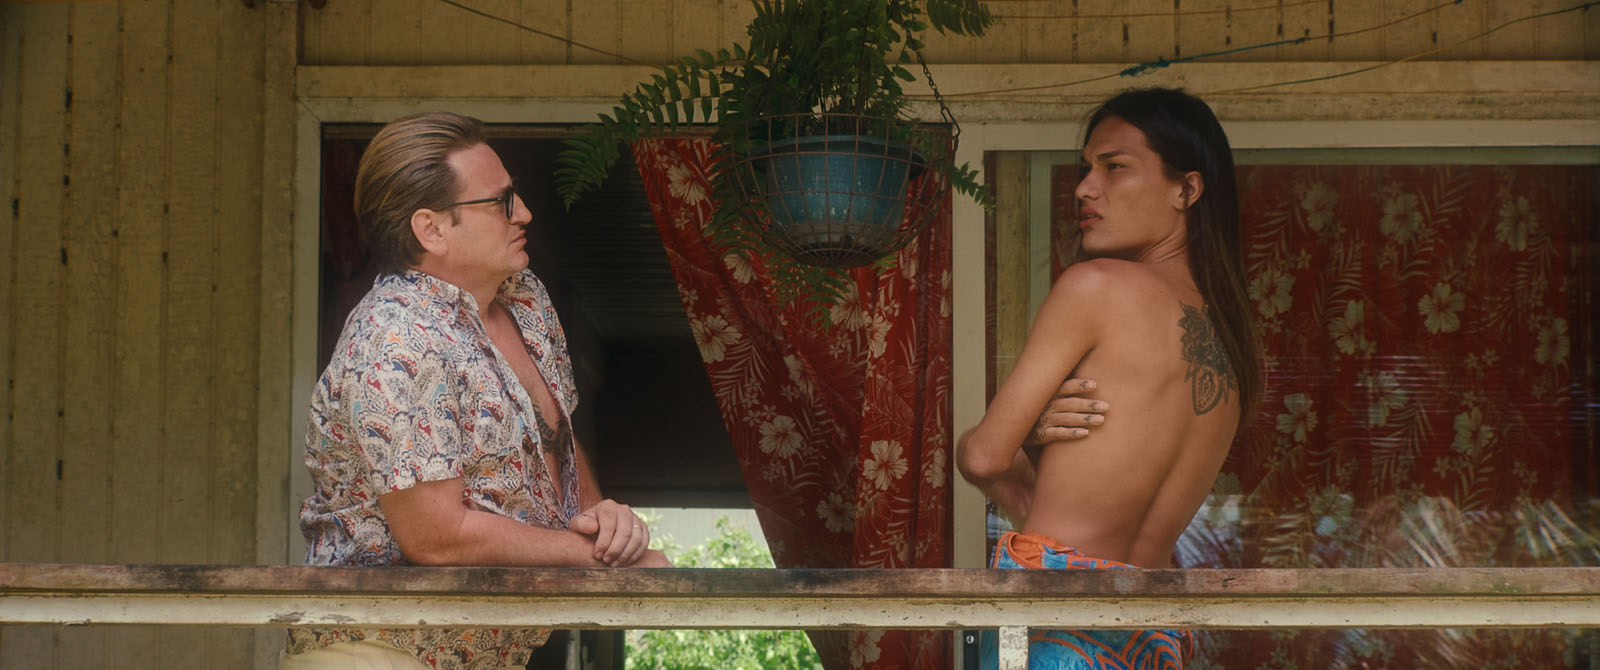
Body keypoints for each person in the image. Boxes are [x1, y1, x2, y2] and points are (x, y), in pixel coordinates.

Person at [285, 112, 669, 670]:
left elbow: (556, 441)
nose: (524, 212)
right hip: (377, 653)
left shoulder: (525, 300)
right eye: (501, 201)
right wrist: (595, 560)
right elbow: (437, 537)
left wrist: (605, 525)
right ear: (431, 230)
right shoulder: (396, 337)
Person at [957, 88, 1261, 670]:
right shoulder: (1233, 347)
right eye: (1085, 169)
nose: (1083, 188)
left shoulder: (1094, 286)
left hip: (1058, 616)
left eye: (1114, 167)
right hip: (1153, 627)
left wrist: (1022, 433)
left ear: (1186, 189)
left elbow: (983, 458)